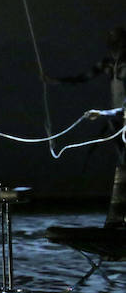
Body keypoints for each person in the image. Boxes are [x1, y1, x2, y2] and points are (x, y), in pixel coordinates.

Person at [45, 26, 126, 227]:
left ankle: (119, 216)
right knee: (122, 163)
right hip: (115, 117)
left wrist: (105, 113)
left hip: (120, 116)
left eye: (116, 40)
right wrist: (56, 81)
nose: (113, 44)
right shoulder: (108, 63)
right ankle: (119, 215)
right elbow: (85, 76)